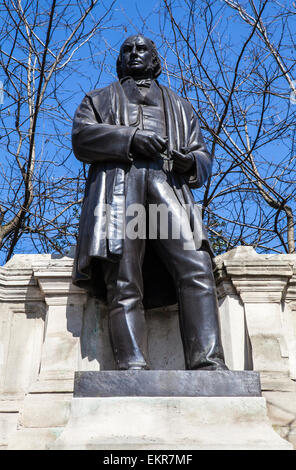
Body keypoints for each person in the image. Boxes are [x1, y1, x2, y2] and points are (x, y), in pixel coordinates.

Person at [72, 34, 227, 371]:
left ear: (155, 59)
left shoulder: (181, 107)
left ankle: (208, 362)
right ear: (120, 59)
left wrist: (190, 162)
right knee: (124, 278)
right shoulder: (98, 99)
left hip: (165, 184)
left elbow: (201, 155)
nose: (134, 54)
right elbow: (82, 137)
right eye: (127, 49)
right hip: (121, 189)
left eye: (142, 49)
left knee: (196, 265)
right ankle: (132, 366)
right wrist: (131, 138)